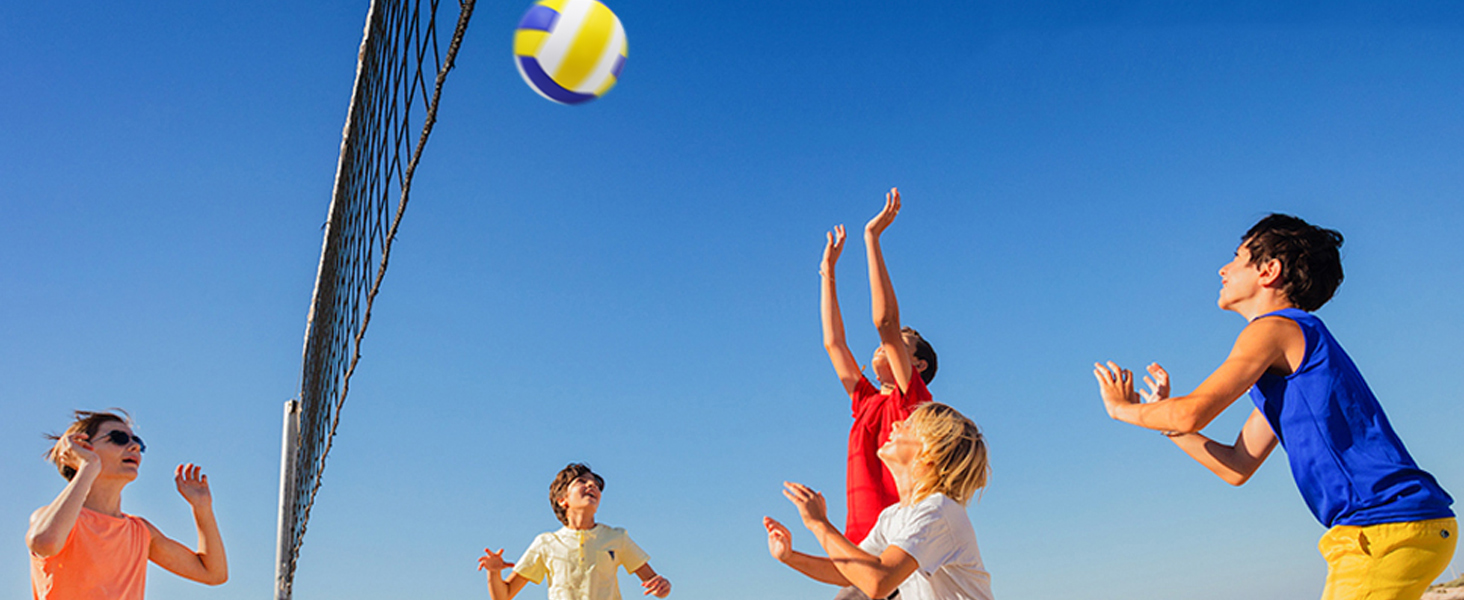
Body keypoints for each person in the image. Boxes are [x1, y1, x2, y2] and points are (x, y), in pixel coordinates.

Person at [1093, 213, 1455, 600]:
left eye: (1235, 258)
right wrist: (1167, 422)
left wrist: (1121, 409)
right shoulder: (1291, 373)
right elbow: (1236, 465)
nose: (1222, 269)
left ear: (1269, 270)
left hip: (1383, 526)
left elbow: (1192, 411)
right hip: (1395, 527)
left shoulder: (1274, 329)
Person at [764, 402, 993, 600]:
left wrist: (819, 523)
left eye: (909, 425)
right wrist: (790, 557)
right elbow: (848, 571)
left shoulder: (939, 511)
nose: (896, 425)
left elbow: (878, 581)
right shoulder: (892, 516)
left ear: (930, 454)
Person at [821, 187, 939, 550]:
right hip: (861, 546)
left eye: (901, 345)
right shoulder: (866, 402)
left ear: (916, 364)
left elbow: (886, 321)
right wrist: (827, 272)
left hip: (900, 546)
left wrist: (871, 239)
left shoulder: (913, 401)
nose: (885, 344)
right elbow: (834, 344)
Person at [27, 410, 228, 600]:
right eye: (118, 438)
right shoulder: (51, 518)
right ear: (81, 448)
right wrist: (88, 467)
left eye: (137, 442)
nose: (134, 447)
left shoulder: (141, 531)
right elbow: (46, 542)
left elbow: (213, 573)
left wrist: (202, 508)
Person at [478, 463, 671, 600]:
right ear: (563, 500)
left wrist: (663, 588)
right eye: (581, 481)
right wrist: (493, 573)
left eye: (595, 484)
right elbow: (504, 595)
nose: (591, 485)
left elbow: (654, 582)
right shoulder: (546, 543)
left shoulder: (616, 538)